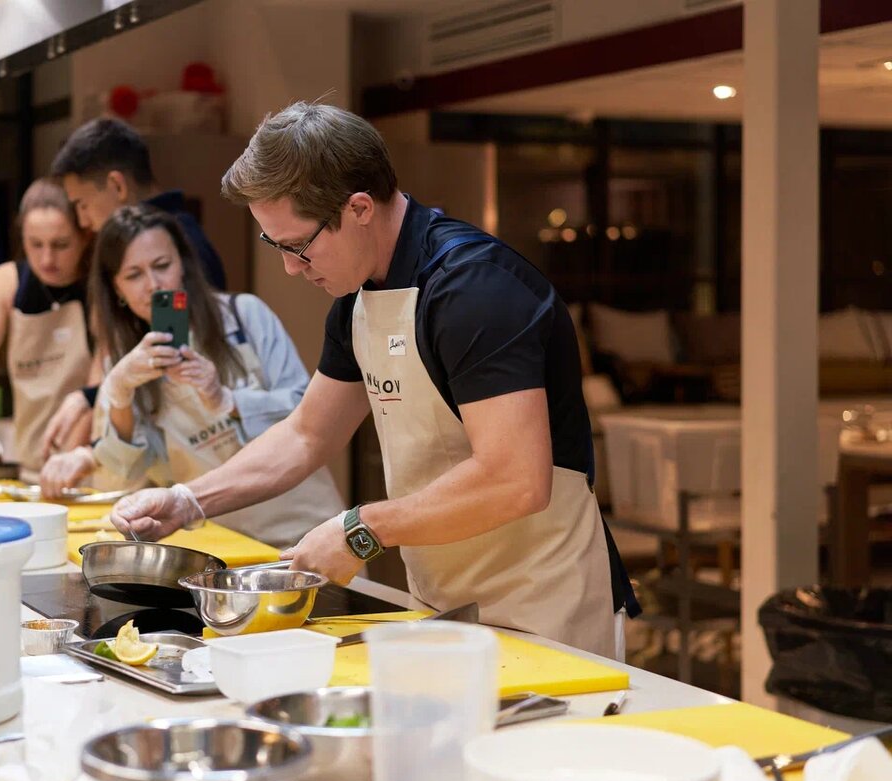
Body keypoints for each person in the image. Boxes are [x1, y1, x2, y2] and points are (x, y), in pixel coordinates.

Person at [110, 102, 640, 659]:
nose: (291, 267)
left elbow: (515, 479)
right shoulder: (358, 299)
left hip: (545, 602)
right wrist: (187, 501)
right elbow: (307, 434)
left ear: (359, 207)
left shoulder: (474, 288)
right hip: (443, 600)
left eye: (297, 246)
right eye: (275, 245)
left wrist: (360, 529)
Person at [59, 205, 342, 547]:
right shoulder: (122, 366)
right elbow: (122, 479)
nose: (154, 285)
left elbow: (308, 416)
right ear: (115, 288)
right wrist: (119, 393)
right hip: (223, 545)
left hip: (308, 530)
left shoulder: (244, 315)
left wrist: (227, 400)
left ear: (183, 265)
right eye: (133, 275)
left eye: (162, 266)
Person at [39, 118, 229, 453]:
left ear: (117, 186)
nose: (83, 221)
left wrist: (91, 399)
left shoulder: (187, 248)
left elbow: (173, 364)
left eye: (82, 204)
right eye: (133, 275)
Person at [0, 178, 95, 478]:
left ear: (85, 236)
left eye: (60, 245)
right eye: (35, 244)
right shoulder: (7, 282)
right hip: (31, 467)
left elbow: (96, 391)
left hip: (89, 468)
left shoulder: (98, 287)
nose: (46, 258)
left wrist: (67, 463)